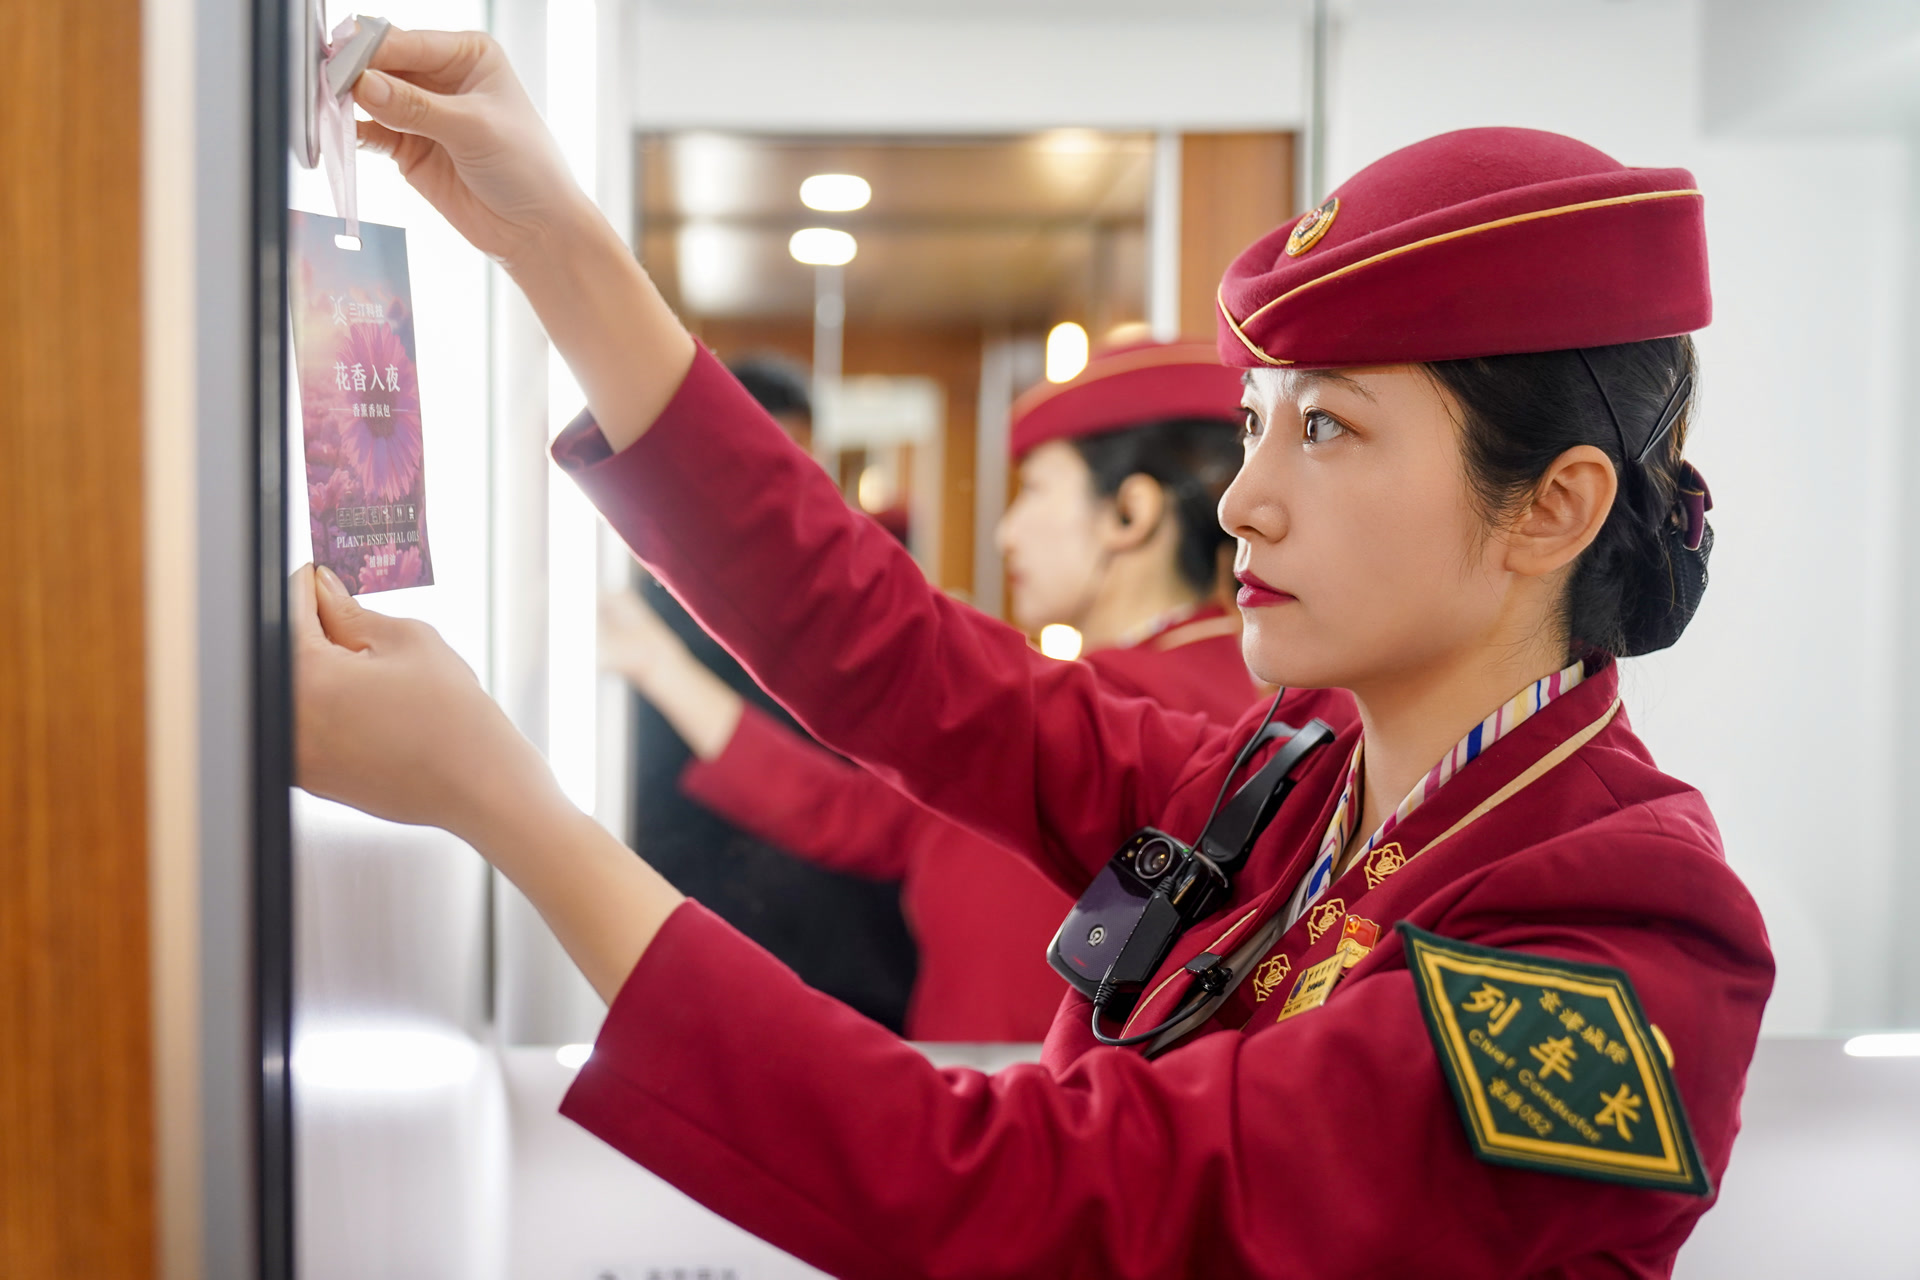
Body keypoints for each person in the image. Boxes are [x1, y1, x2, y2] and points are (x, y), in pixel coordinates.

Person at [296, 28, 1772, 1277]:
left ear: (1554, 506)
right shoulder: (1290, 784)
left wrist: (504, 806)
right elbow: (897, 660)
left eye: (1326, 427)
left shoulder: (1626, 935)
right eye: (1254, 424)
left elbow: (1032, 1197)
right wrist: (549, 235)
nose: (1244, 500)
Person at [600, 342, 1260, 1040]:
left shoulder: (1148, 713)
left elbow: (1006, 1001)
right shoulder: (1173, 694)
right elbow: (858, 816)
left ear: (1130, 513)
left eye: (1035, 490)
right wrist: (659, 666)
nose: (1006, 531)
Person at [621, 354, 919, 1034]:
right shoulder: (654, 615)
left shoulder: (856, 602)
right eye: (765, 461)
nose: (790, 489)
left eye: (804, 463)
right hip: (714, 959)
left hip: (855, 972)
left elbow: (862, 806)